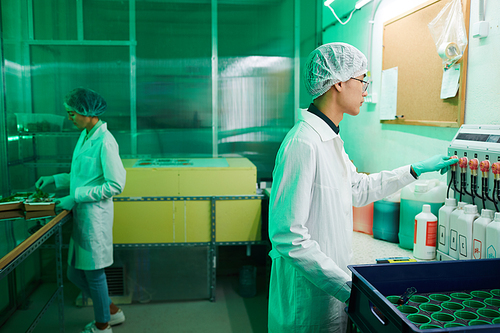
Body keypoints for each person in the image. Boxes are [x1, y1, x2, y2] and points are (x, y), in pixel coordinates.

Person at [267, 42, 458, 333]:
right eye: (362, 79)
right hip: (306, 299)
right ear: (339, 82)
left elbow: (357, 188)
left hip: (330, 287)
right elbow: (287, 235)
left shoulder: (330, 138)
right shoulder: (303, 143)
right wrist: (348, 287)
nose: (366, 89)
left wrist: (414, 170)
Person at [36, 88, 127, 333]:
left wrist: (74, 197)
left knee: (94, 276)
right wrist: (55, 179)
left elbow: (115, 185)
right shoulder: (86, 134)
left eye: (72, 113)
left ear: (87, 113)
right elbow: (82, 177)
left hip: (94, 219)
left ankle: (102, 326)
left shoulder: (106, 142)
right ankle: (113, 312)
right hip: (82, 218)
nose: (69, 118)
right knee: (75, 274)